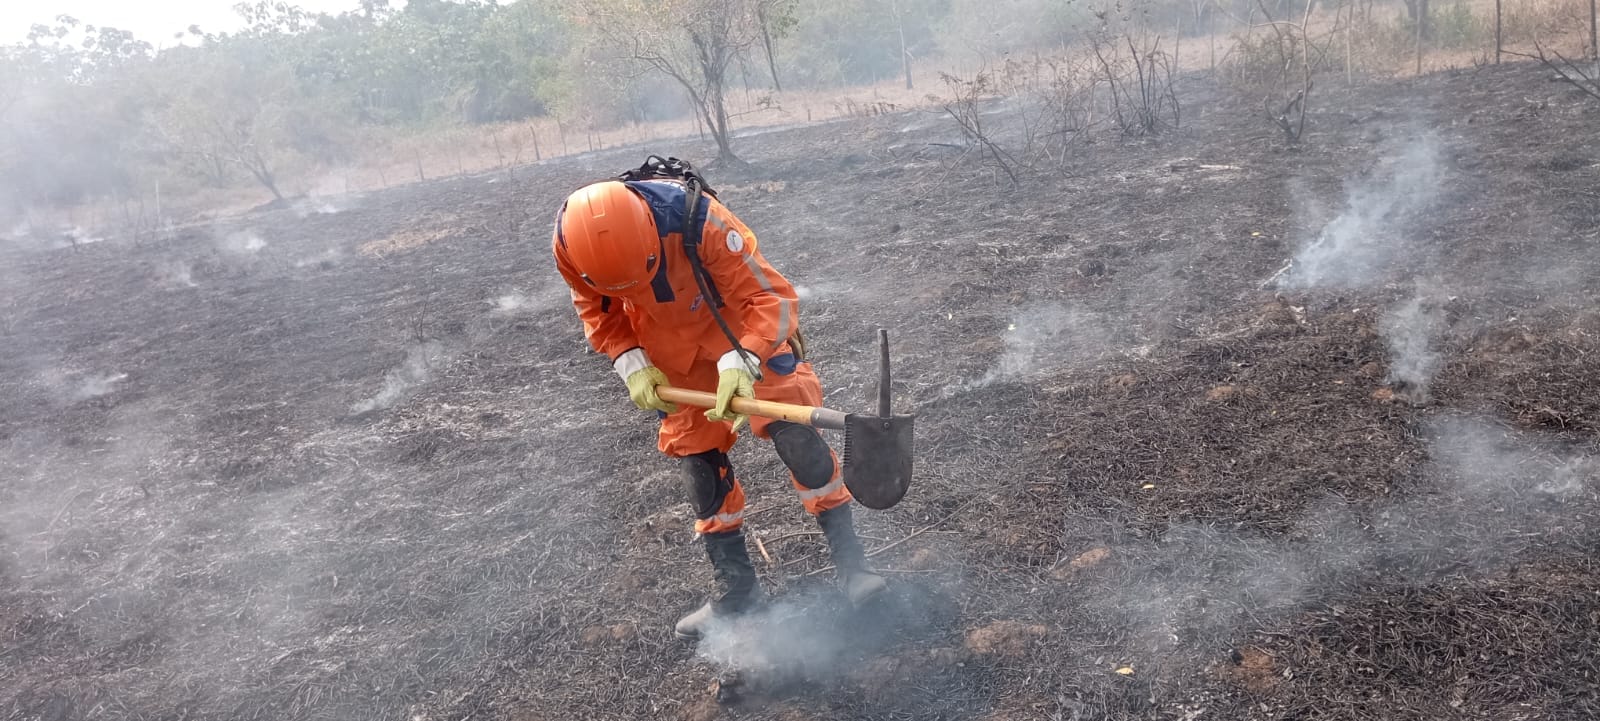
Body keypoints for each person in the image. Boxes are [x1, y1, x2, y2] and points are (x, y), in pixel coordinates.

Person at [551, 163, 886, 640]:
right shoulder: (572, 248)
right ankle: (738, 594)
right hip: (672, 355)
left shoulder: (700, 221)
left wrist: (742, 359)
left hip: (743, 333)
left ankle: (854, 568)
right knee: (699, 469)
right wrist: (630, 360)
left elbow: (771, 297)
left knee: (799, 442)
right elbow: (598, 313)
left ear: (650, 237)